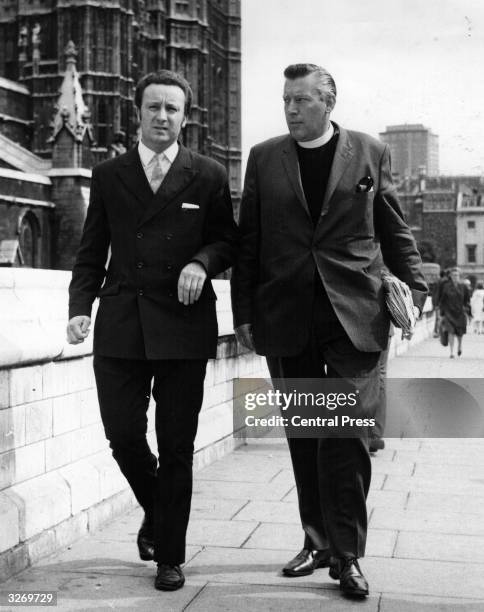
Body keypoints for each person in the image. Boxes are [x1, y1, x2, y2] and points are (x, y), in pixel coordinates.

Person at [231, 63, 427, 599]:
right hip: (286, 316)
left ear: (328, 103)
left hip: (355, 315)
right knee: (305, 433)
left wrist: (417, 286)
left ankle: (348, 555)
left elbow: (392, 224)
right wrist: (242, 314)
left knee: (347, 435)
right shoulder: (264, 157)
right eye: (286, 100)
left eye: (301, 100)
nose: (292, 109)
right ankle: (316, 541)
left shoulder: (368, 151)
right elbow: (250, 241)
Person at [67, 70, 238, 592]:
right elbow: (92, 250)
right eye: (153, 108)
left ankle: (170, 555)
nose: (162, 117)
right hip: (120, 325)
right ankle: (158, 510)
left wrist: (201, 263)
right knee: (122, 436)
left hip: (183, 328)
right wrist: (79, 307)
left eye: (172, 109)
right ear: (136, 113)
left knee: (177, 444)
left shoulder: (207, 174)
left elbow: (228, 241)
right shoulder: (108, 174)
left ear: (185, 117)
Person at [438, 267, 471, 357]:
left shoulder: (464, 287)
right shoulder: (446, 286)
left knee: (460, 333)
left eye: (457, 275)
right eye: (453, 275)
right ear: (451, 276)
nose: (455, 277)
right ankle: (451, 352)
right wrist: (441, 313)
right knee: (450, 332)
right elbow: (442, 300)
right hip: (449, 313)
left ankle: (459, 346)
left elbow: (467, 301)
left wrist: (468, 312)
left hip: (460, 313)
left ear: (459, 276)